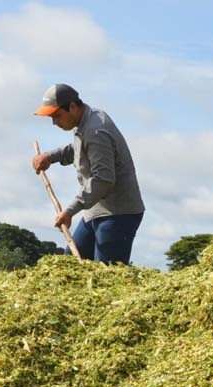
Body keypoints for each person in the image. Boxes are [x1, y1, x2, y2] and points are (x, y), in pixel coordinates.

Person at [32, 84, 145, 264]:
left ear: (73, 107)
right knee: (71, 264)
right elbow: (78, 149)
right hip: (96, 209)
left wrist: (69, 211)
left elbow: (103, 180)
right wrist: (50, 157)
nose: (54, 122)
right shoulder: (85, 122)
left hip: (117, 213)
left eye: (57, 116)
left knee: (105, 275)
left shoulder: (96, 130)